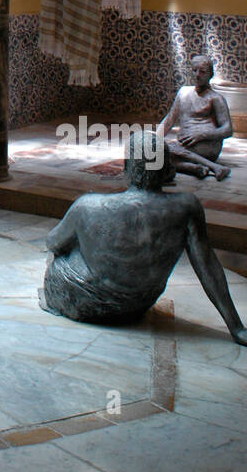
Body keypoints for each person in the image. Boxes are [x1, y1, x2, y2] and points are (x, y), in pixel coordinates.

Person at [41, 130, 247, 343]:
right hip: (137, 305)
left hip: (87, 303)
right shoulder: (186, 207)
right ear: (168, 169)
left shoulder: (87, 206)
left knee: (63, 255)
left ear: (127, 167)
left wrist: (86, 228)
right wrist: (236, 327)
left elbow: (53, 243)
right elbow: (207, 266)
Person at [157, 54, 233, 181]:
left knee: (164, 152)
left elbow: (227, 129)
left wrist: (202, 134)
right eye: (194, 71)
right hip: (185, 145)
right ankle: (195, 168)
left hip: (207, 146)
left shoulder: (216, 98)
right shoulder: (183, 92)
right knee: (155, 155)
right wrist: (154, 138)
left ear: (210, 75)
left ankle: (212, 165)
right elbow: (169, 119)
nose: (197, 75)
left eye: (202, 72)